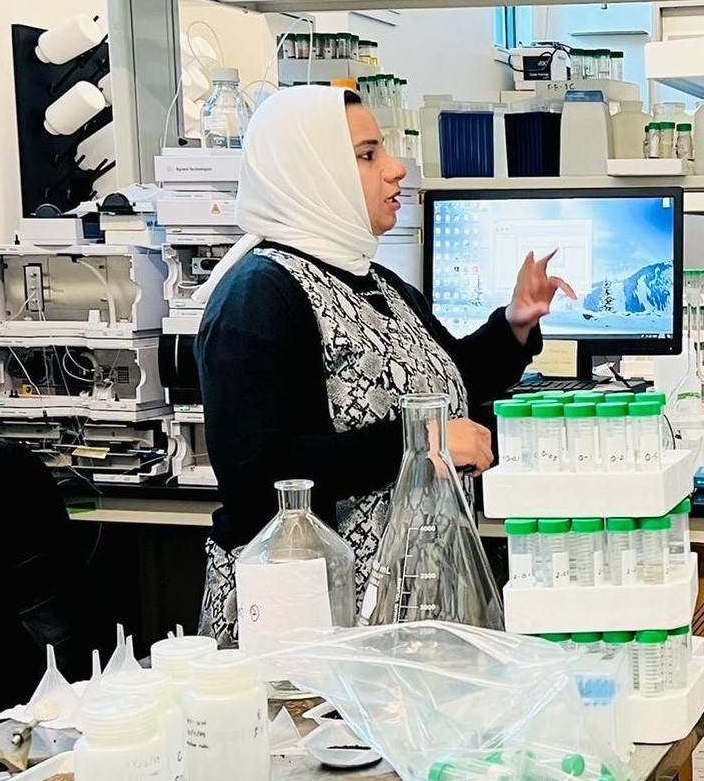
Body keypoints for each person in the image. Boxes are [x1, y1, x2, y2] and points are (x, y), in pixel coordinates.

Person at [195, 86, 573, 645]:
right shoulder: (259, 296)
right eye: (368, 155)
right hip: (312, 620)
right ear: (312, 173)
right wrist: (423, 443)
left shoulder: (377, 284)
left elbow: (449, 382)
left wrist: (516, 322)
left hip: (407, 604)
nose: (396, 170)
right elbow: (260, 471)